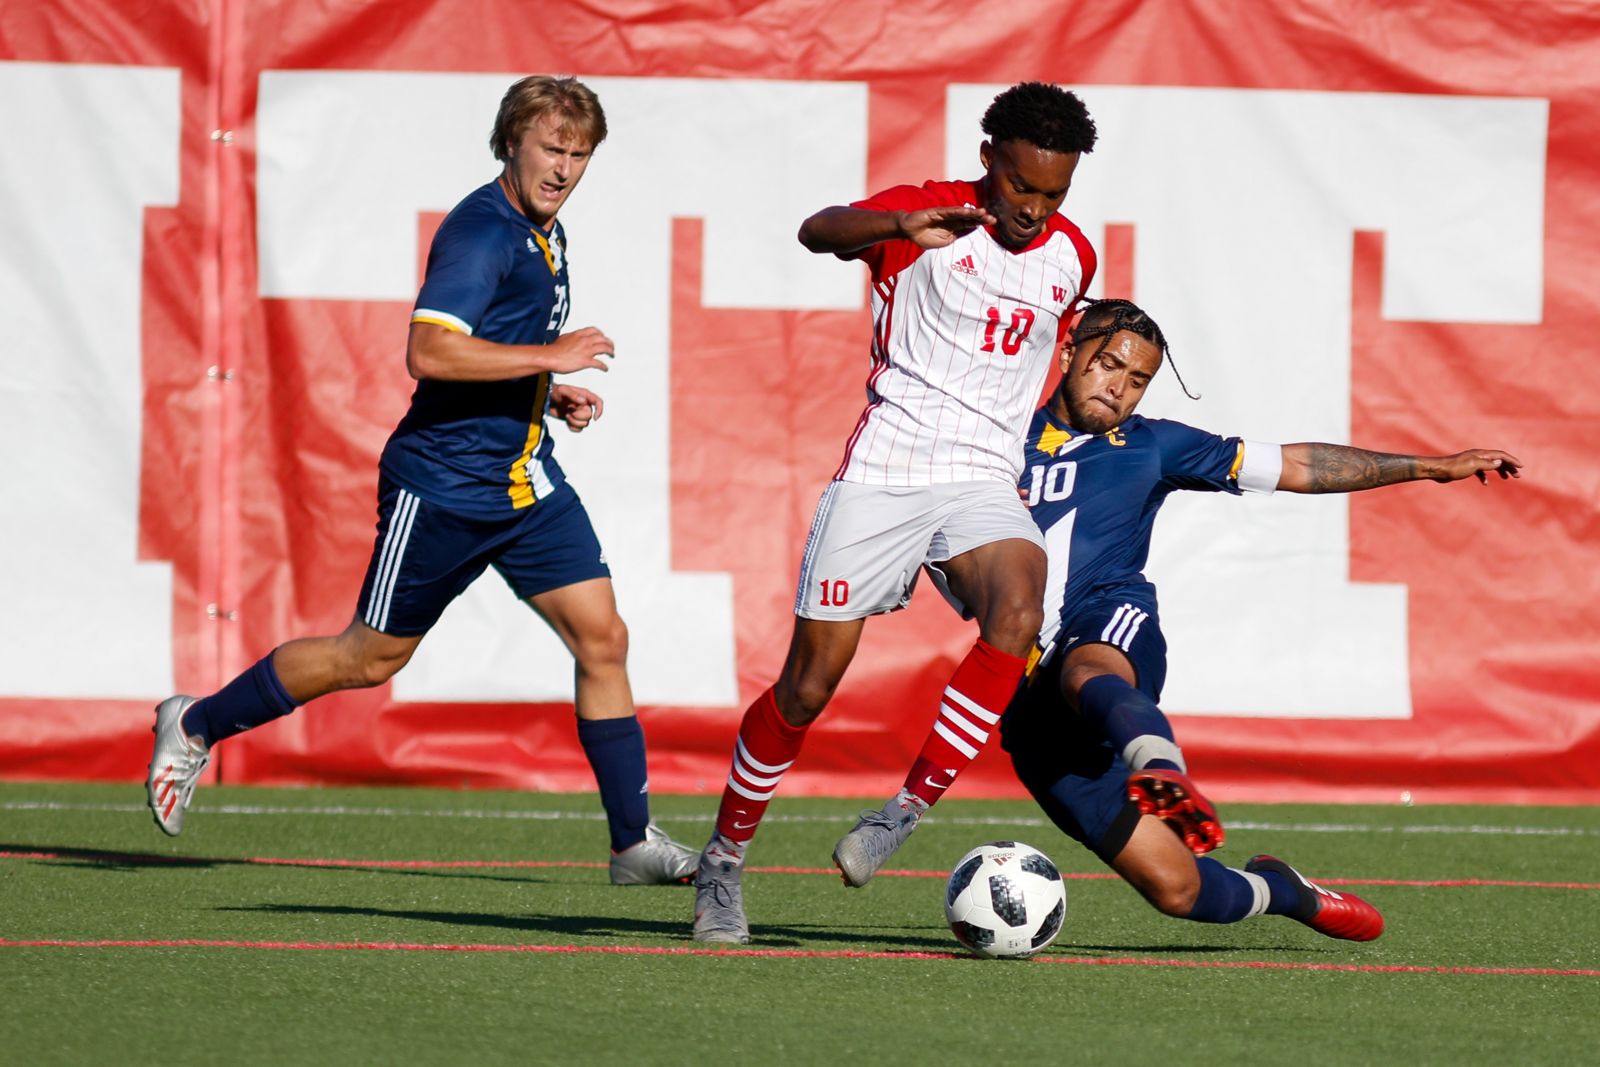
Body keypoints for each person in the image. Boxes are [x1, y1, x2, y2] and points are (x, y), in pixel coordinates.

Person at [146, 75, 697, 886]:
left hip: (523, 483)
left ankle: (630, 843)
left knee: (603, 638)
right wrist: (550, 359)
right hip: (443, 486)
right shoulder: (483, 232)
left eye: (580, 154)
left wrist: (547, 396)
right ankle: (194, 722)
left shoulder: (544, 229)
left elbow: (493, 347)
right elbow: (430, 352)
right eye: (552, 147)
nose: (565, 168)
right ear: (511, 141)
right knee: (366, 659)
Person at [692, 82, 1101, 943]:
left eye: (1053, 193)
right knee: (806, 688)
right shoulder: (927, 216)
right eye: (1022, 184)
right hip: (885, 470)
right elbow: (817, 228)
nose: (1033, 208)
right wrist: (891, 229)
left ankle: (902, 813)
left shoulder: (1073, 256)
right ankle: (724, 862)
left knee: (1021, 609)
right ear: (989, 157)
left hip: (983, 477)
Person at [999, 297, 1522, 941]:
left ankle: (1161, 767)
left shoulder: (1152, 445)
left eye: (1137, 381)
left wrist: (1427, 466)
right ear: (1068, 352)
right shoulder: (990, 439)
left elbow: (1298, 465)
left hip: (1110, 618)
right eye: (1108, 365)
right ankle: (1284, 890)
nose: (1118, 388)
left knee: (1087, 669)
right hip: (1033, 704)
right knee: (1177, 888)